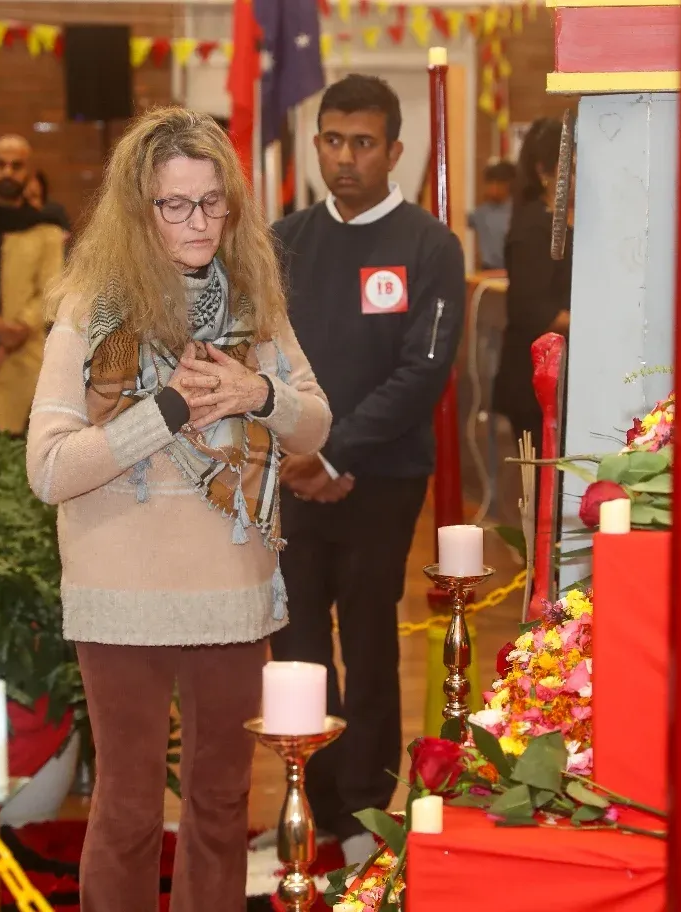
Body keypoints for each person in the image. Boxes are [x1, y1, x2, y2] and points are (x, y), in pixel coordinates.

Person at [26, 107, 330, 912]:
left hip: (230, 591)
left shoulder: (255, 303)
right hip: (120, 595)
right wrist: (164, 412)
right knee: (127, 810)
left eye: (212, 201)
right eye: (175, 204)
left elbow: (316, 424)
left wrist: (257, 392)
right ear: (138, 211)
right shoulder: (92, 309)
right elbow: (48, 468)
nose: (199, 221)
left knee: (222, 806)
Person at [270, 74, 466, 867]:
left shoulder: (428, 246)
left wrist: (338, 453)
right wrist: (300, 454)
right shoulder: (282, 241)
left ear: (394, 151)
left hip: (383, 477)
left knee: (369, 640)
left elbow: (423, 372)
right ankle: (311, 804)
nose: (345, 158)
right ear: (315, 144)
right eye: (332, 140)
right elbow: (258, 357)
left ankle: (362, 811)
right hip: (290, 473)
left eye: (363, 143)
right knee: (295, 644)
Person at [0, 133, 65, 434]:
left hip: (25, 349)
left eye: (16, 166)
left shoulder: (45, 230)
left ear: (29, 172)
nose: (7, 172)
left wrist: (19, 327)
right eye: (0, 164)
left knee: (20, 442)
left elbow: (51, 289)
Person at [493, 118, 572, 454]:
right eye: (573, 166)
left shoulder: (579, 221)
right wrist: (598, 321)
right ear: (544, 171)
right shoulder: (532, 228)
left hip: (568, 378)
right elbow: (533, 310)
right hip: (535, 384)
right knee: (548, 483)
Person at [468, 159, 515, 271]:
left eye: (497, 183)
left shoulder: (517, 211)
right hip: (488, 270)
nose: (492, 188)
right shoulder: (481, 213)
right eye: (489, 183)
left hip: (511, 270)